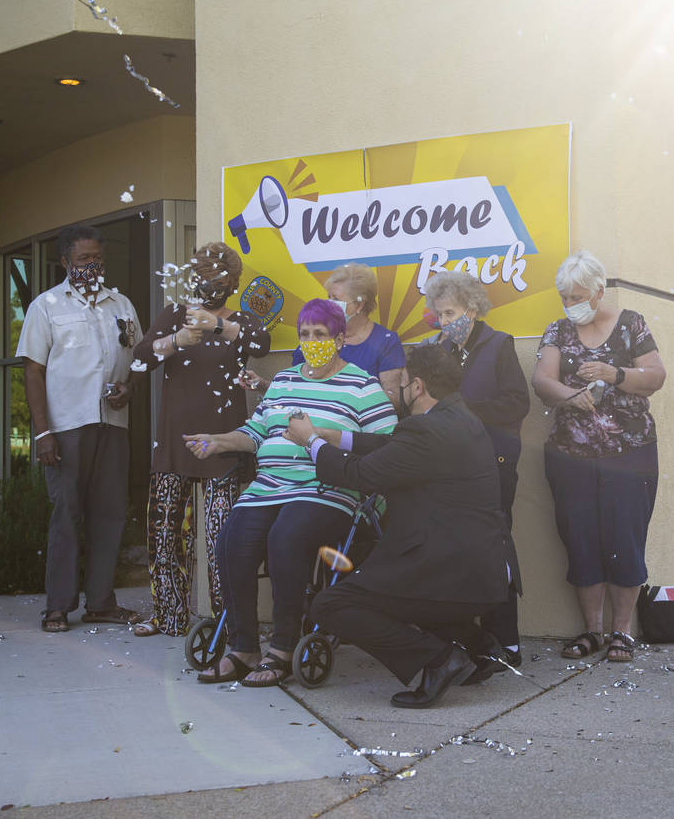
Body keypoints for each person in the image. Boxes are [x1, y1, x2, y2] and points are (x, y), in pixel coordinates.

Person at [290, 343, 521, 708]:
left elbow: (359, 474)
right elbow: (394, 445)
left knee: (330, 605)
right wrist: (338, 437)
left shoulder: (425, 432)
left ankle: (440, 661)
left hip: (448, 572)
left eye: (397, 382)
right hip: (481, 574)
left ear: (417, 386)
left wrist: (312, 442)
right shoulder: (458, 418)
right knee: (395, 591)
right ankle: (481, 650)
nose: (391, 389)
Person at [184, 299, 397, 687]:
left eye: (320, 334)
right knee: (232, 539)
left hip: (327, 488)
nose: (311, 341)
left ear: (339, 338)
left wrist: (321, 436)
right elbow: (255, 433)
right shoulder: (284, 380)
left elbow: (386, 443)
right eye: (305, 334)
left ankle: (282, 646)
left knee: (287, 536)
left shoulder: (362, 385)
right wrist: (218, 441)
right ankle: (243, 646)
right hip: (269, 486)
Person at [531, 251, 666, 664]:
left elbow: (656, 377)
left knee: (624, 539)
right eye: (563, 295)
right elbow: (542, 380)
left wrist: (615, 375)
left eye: (576, 295)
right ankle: (592, 629)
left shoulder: (631, 325)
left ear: (598, 291)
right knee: (581, 540)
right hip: (570, 456)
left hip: (630, 454)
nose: (570, 303)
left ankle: (622, 632)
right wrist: (571, 397)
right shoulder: (557, 330)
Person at [130, 242, 271, 637]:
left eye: (218, 279)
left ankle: (229, 621)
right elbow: (141, 356)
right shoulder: (176, 315)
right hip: (174, 443)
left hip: (221, 445)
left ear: (233, 283)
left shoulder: (241, 321)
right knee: (164, 531)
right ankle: (168, 615)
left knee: (220, 537)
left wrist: (218, 328)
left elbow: (260, 345)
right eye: (202, 276)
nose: (209, 285)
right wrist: (176, 341)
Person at [16, 225, 141, 633]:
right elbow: (33, 371)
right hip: (66, 426)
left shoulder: (121, 305)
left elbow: (136, 361)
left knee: (110, 514)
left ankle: (101, 602)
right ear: (66, 262)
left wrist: (129, 387)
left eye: (98, 259)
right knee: (66, 514)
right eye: (85, 259)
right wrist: (42, 433)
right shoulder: (46, 306)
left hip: (113, 424)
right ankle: (58, 606)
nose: (93, 266)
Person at [423, 271, 530, 668]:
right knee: (455, 551)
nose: (445, 320)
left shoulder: (498, 344)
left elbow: (517, 403)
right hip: (448, 466)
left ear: (471, 308)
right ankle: (469, 639)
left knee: (495, 547)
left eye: (450, 312)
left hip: (493, 463)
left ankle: (508, 640)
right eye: (439, 314)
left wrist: (465, 414)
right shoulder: (438, 349)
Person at [243, 263, 406, 396]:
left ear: (360, 304)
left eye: (335, 299)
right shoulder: (313, 338)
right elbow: (295, 390)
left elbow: (393, 401)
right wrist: (262, 385)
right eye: (328, 297)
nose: (329, 304)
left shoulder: (385, 341)